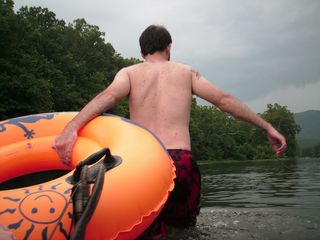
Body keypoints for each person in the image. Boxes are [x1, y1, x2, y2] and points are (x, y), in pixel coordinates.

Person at [53, 25, 287, 239]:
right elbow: (224, 101)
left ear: (142, 52)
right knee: (185, 232)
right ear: (169, 47)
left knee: (147, 230)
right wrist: (267, 126)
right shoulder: (186, 72)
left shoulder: (129, 73)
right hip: (181, 162)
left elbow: (108, 97)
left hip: (145, 163)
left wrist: (71, 128)